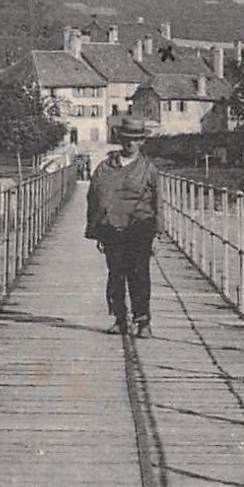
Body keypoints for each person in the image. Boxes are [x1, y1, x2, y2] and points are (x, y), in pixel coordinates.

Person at [84, 118, 160, 337]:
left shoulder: (149, 169)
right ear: (120, 139)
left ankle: (143, 321)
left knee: (139, 274)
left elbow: (158, 201)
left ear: (142, 142)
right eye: (127, 139)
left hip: (140, 227)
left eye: (136, 140)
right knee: (116, 274)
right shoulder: (105, 168)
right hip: (112, 228)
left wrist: (158, 233)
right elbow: (94, 197)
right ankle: (120, 319)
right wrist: (97, 230)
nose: (131, 144)